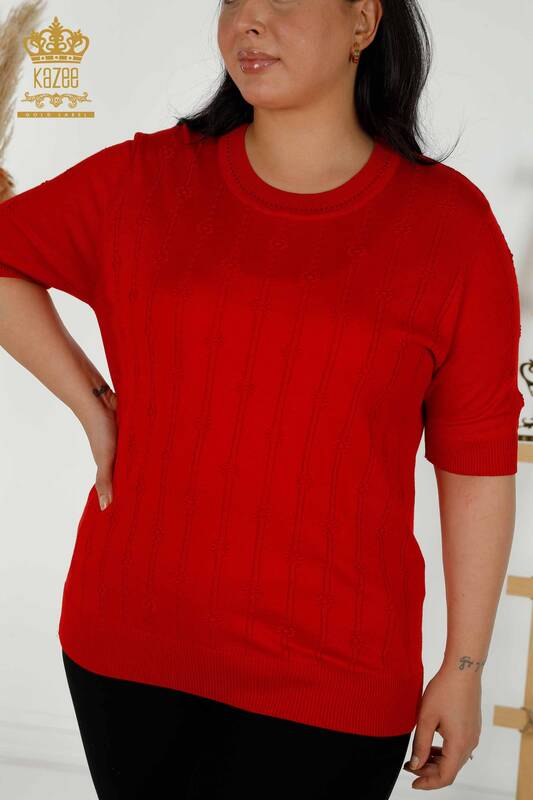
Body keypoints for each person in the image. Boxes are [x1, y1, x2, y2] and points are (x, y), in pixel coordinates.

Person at [0, 0, 524, 797]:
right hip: (129, 649)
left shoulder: (449, 230)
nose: (250, 18)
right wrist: (91, 400)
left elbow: (476, 462)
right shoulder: (145, 179)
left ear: (362, 22)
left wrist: (463, 667)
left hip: (334, 679)